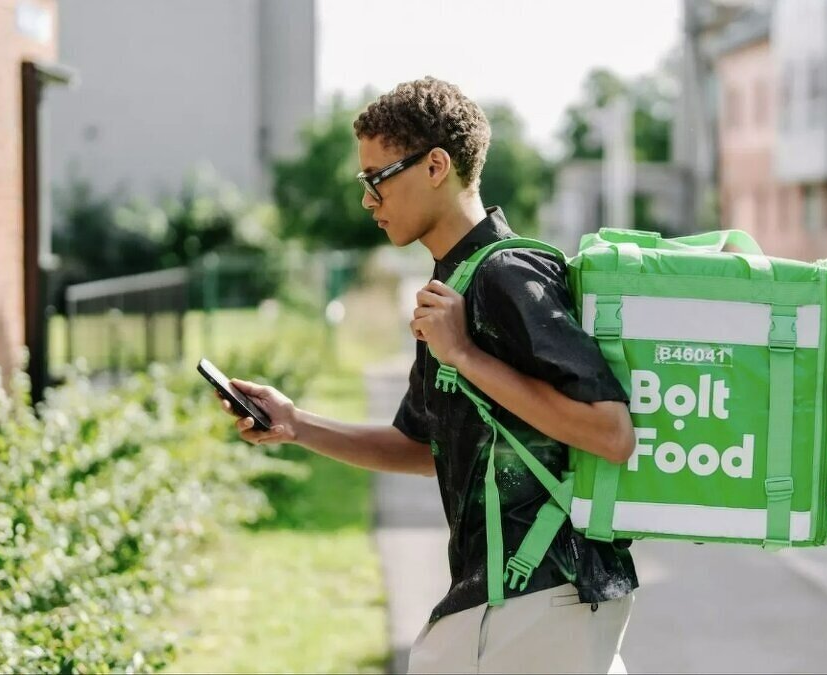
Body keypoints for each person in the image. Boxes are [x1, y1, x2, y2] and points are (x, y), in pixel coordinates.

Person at [217, 77, 639, 674]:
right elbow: (424, 447)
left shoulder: (506, 275)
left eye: (376, 178)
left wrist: (465, 354)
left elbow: (611, 434)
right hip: (516, 602)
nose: (368, 199)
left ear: (437, 165)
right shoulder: (452, 289)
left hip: (540, 595)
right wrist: (295, 424)